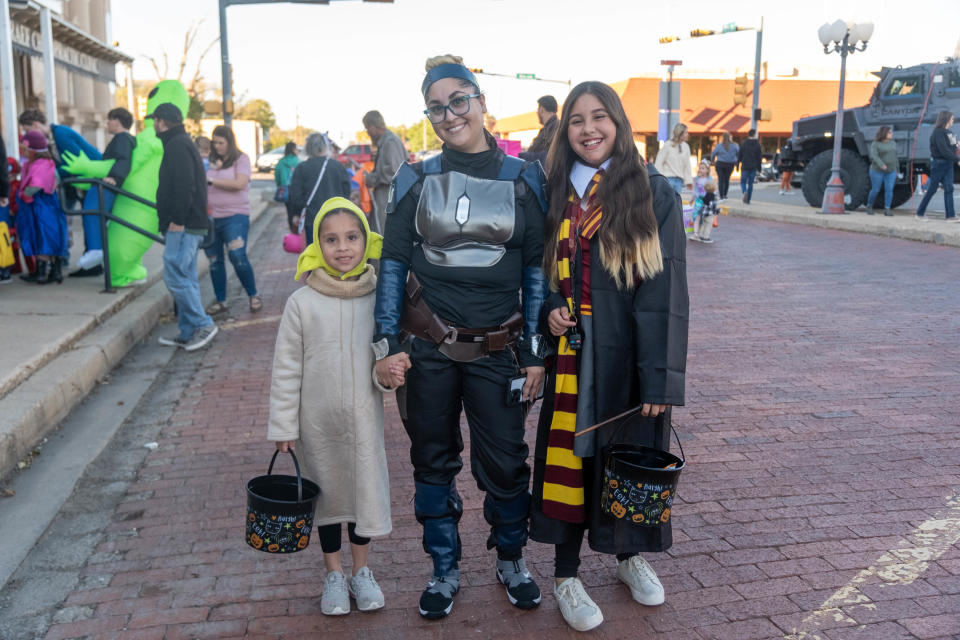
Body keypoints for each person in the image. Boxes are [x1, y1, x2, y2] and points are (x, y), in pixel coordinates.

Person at [373, 54, 549, 619]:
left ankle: (511, 558)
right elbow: (394, 264)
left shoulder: (525, 179)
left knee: (505, 463)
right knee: (432, 461)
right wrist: (387, 344)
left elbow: (537, 269)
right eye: (436, 108)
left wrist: (536, 355)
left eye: (458, 101)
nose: (449, 115)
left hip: (499, 349)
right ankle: (443, 568)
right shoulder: (415, 178)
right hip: (427, 351)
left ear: (480, 102)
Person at [529, 80, 688, 632]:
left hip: (630, 355)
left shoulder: (650, 192)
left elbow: (664, 292)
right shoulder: (553, 192)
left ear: (618, 124)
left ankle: (627, 559)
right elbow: (542, 273)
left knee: (627, 462)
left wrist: (658, 380)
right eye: (576, 119)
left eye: (600, 117)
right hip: (574, 356)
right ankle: (566, 575)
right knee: (571, 463)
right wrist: (550, 307)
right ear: (564, 130)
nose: (588, 128)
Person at [269, 196, 409, 616]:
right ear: (317, 246)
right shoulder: (302, 304)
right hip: (316, 426)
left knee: (361, 497)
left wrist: (387, 375)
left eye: (352, 237)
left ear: (367, 242)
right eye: (331, 239)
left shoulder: (380, 301)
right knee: (327, 500)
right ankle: (333, 573)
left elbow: (383, 360)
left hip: (364, 422)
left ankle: (361, 572)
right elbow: (286, 369)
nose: (343, 247)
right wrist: (283, 427)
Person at [153, 102, 218, 351]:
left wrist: (177, 220)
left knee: (175, 275)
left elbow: (184, 186)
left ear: (162, 121)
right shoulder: (181, 143)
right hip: (188, 223)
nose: (154, 126)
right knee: (185, 276)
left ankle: (202, 324)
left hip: (184, 224)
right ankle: (189, 330)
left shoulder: (177, 146)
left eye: (155, 121)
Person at [18, 109, 102, 264]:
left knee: (89, 221)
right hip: (74, 183)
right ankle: (63, 258)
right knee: (64, 219)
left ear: (36, 125)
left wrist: (51, 175)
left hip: (90, 181)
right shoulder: (51, 139)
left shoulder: (60, 134)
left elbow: (77, 162)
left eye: (27, 130)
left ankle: (89, 263)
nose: (28, 135)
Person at [69, 107, 137, 277]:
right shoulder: (123, 139)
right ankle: (95, 250)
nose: (107, 123)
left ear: (117, 121)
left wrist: (115, 177)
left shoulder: (122, 139)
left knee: (93, 215)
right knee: (93, 215)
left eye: (109, 120)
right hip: (106, 185)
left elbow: (123, 159)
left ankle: (96, 250)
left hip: (108, 186)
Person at [204, 125, 261, 314]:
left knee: (237, 256)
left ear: (230, 142)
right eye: (215, 143)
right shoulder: (210, 161)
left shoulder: (241, 159)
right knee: (214, 261)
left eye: (221, 143)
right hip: (211, 218)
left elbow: (240, 183)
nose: (217, 146)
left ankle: (253, 295)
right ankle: (221, 301)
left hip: (235, 216)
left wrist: (211, 180)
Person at [16, 130, 67, 284]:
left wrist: (25, 192)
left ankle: (41, 273)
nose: (23, 151)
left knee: (43, 236)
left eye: (25, 149)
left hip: (42, 206)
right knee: (46, 236)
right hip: (43, 206)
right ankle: (53, 271)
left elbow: (37, 184)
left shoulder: (42, 165)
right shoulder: (43, 163)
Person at [289, 133, 352, 247]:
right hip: (337, 218)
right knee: (336, 252)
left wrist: (297, 213)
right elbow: (346, 192)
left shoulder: (302, 168)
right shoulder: (337, 166)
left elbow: (296, 196)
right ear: (325, 147)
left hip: (312, 219)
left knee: (315, 254)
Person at [362, 111, 408, 236]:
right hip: (386, 197)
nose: (367, 132)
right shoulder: (385, 142)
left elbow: (396, 171)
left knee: (385, 236)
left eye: (367, 129)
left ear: (372, 126)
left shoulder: (390, 142)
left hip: (389, 198)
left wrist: (372, 178)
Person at [915, 111, 958, 221]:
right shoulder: (938, 133)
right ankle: (919, 213)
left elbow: (952, 149)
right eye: (952, 118)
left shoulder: (949, 133)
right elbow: (943, 150)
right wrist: (957, 159)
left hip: (948, 164)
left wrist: (957, 145)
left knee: (949, 188)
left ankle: (950, 216)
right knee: (932, 189)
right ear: (946, 119)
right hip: (939, 164)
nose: (953, 120)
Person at [866, 125, 898, 217]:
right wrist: (881, 164)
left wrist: (897, 169)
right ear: (884, 133)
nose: (892, 134)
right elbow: (874, 156)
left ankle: (887, 209)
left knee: (889, 189)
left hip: (891, 171)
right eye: (889, 132)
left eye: (891, 132)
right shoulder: (875, 144)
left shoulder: (893, 143)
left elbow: (895, 157)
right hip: (877, 171)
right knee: (876, 189)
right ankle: (869, 206)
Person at [519, 95, 559, 166]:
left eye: (538, 109)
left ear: (542, 109)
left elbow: (547, 156)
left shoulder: (555, 127)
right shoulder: (548, 128)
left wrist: (521, 155)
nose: (537, 112)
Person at [654, 123, 693, 195]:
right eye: (686, 132)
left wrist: (689, 181)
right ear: (680, 133)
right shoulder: (667, 145)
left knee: (676, 203)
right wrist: (658, 178)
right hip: (667, 179)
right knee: (667, 202)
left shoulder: (686, 147)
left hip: (679, 181)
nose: (687, 134)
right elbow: (659, 162)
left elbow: (687, 165)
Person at [274, 141, 301, 233]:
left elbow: (277, 175)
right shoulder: (298, 161)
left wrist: (280, 185)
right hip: (296, 190)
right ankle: (299, 232)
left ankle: (292, 231)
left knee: (289, 211)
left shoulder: (281, 162)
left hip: (285, 190)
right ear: (293, 149)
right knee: (297, 211)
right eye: (296, 148)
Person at [709, 132, 738, 201]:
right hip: (730, 164)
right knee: (727, 180)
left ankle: (721, 195)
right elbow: (738, 154)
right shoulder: (735, 146)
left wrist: (712, 161)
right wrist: (737, 163)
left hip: (720, 164)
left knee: (721, 180)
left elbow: (713, 153)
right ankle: (725, 195)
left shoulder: (719, 145)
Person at [737, 129, 762, 204]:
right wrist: (759, 168)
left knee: (743, 182)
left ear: (748, 135)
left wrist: (737, 165)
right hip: (753, 166)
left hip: (745, 166)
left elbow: (739, 155)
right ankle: (748, 200)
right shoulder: (757, 144)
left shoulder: (744, 143)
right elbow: (759, 157)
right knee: (750, 184)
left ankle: (744, 192)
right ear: (754, 134)